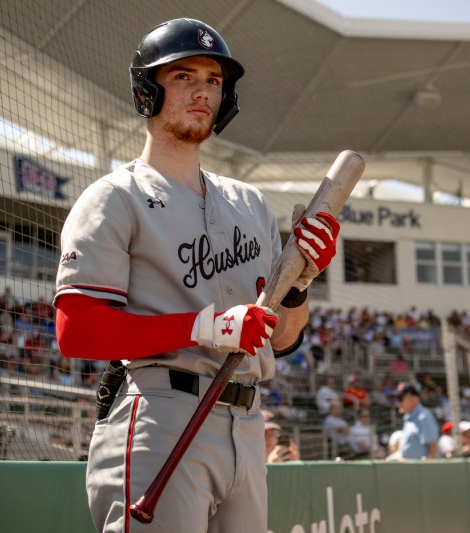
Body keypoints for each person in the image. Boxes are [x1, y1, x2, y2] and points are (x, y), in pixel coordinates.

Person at [53, 18, 340, 533]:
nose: (202, 90)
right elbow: (77, 332)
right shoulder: (114, 197)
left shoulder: (250, 203)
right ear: (148, 90)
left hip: (248, 426)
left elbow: (284, 337)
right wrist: (204, 328)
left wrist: (300, 282)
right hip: (162, 414)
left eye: (213, 79)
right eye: (183, 76)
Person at [396, 384, 439, 460]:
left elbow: (433, 448)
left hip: (421, 469)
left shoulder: (424, 417)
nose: (398, 403)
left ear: (410, 397)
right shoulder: (408, 417)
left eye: (400, 399)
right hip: (409, 467)